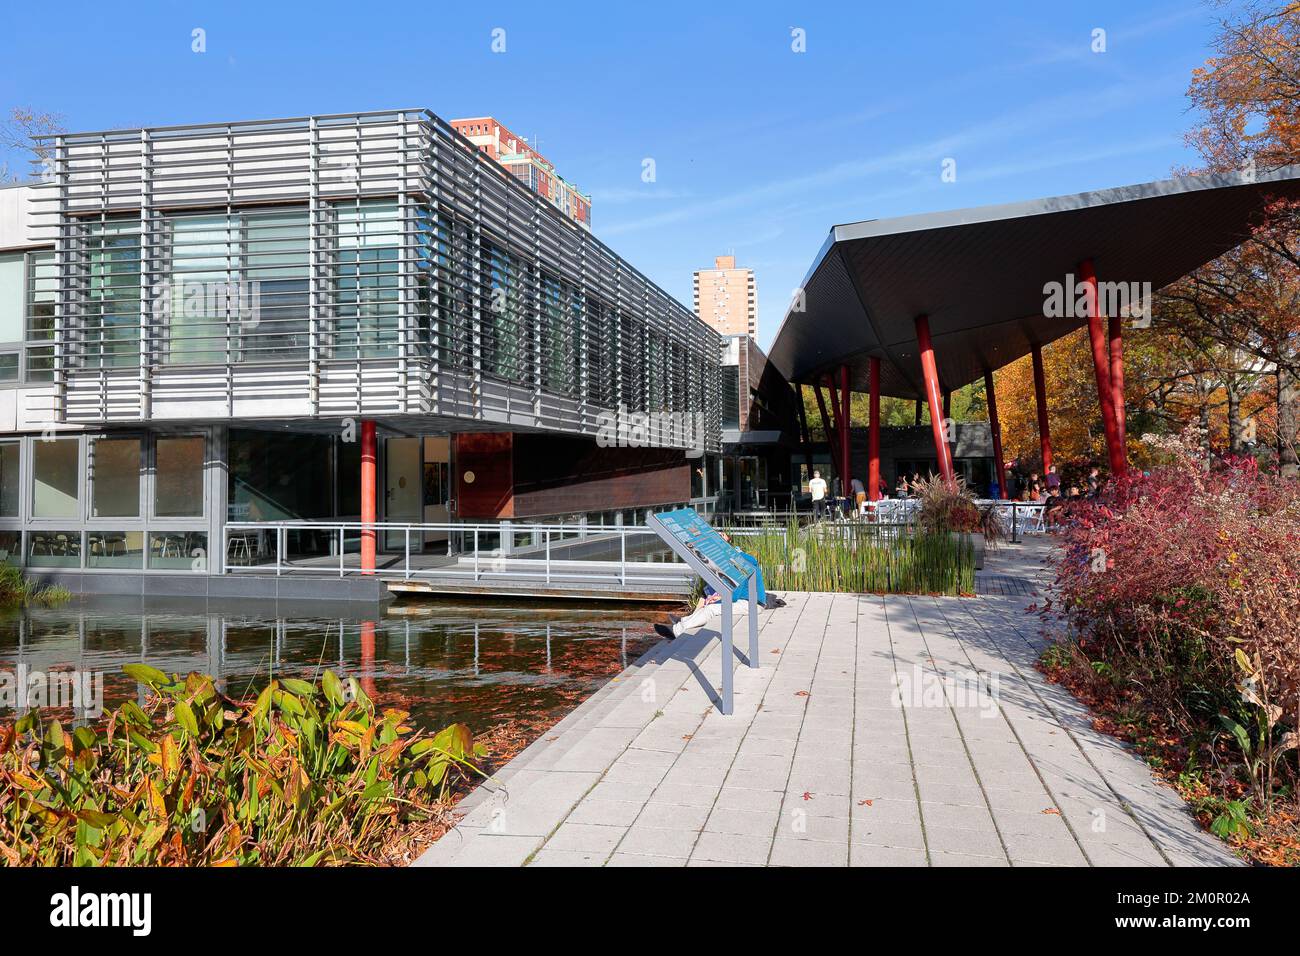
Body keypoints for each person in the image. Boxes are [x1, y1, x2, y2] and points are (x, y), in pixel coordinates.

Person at [655, 536, 769, 640]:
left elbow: (733, 596)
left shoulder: (740, 566)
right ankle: (683, 621)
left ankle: (676, 631)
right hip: (749, 602)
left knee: (711, 609)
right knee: (710, 606)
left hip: (752, 605)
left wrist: (716, 601)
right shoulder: (745, 561)